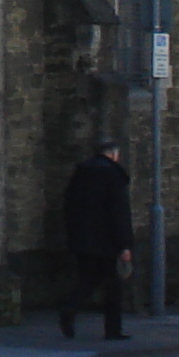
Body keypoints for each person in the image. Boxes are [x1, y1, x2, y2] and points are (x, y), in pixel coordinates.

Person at [59, 137, 136, 341]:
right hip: (108, 241)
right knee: (113, 287)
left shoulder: (81, 172)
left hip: (82, 239)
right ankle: (113, 330)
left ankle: (70, 308)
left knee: (88, 279)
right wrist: (125, 245)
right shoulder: (112, 174)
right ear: (113, 154)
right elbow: (119, 212)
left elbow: (69, 206)